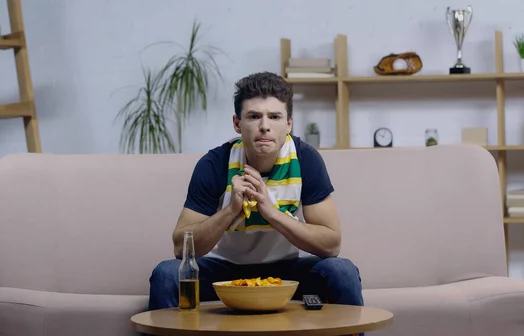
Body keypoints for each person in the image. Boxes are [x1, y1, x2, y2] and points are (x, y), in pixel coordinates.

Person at [148, 71, 363, 313]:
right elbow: (181, 247)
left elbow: (331, 245)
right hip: (224, 271)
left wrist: (270, 212)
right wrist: (231, 210)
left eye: (274, 116)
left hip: (286, 271)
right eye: (254, 116)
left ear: (289, 124)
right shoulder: (214, 164)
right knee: (166, 274)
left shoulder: (305, 159)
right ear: (237, 124)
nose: (264, 126)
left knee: (341, 271)